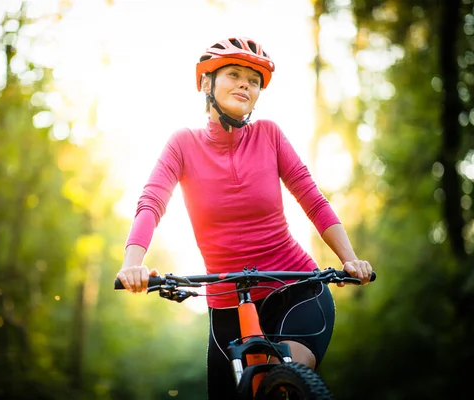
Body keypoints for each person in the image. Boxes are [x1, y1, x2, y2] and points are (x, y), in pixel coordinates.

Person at [115, 36, 373, 399]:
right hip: (226, 305)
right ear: (207, 83)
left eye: (253, 81)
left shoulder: (270, 135)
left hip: (295, 291)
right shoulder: (182, 144)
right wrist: (133, 264)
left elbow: (311, 198)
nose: (244, 85)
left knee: (285, 383)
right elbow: (152, 201)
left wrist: (350, 260)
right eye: (234, 74)